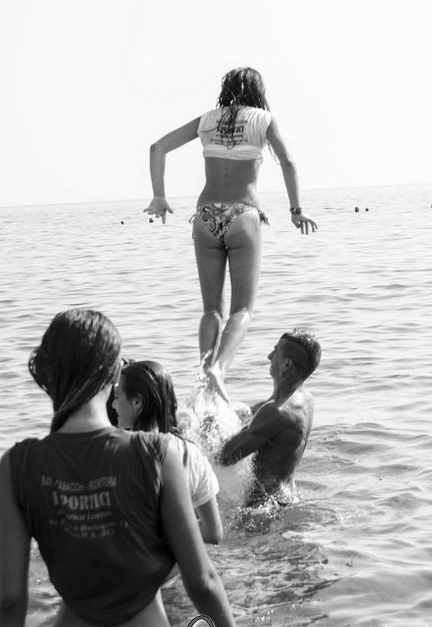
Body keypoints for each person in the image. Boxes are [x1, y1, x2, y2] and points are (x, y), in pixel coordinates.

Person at [0, 309, 253, 627]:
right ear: (113, 374)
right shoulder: (157, 454)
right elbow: (201, 580)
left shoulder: (18, 463)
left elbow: (11, 598)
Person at [144, 68, 317, 393]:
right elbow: (289, 163)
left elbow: (157, 147)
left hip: (206, 216)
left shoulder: (206, 121)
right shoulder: (263, 120)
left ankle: (204, 376)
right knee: (242, 309)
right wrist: (296, 211)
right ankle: (219, 370)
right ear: (258, 92)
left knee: (211, 309)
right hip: (242, 215)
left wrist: (159, 196)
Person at [111, 360, 222, 544]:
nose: (114, 405)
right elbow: (213, 533)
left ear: (137, 402)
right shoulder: (192, 453)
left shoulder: (117, 452)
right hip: (180, 560)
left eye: (117, 397)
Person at [215, 329, 320, 506]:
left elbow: (225, 456)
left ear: (287, 364)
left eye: (275, 351)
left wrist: (211, 429)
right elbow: (266, 415)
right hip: (287, 497)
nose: (269, 356)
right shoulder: (305, 400)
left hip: (263, 508)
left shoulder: (277, 412)